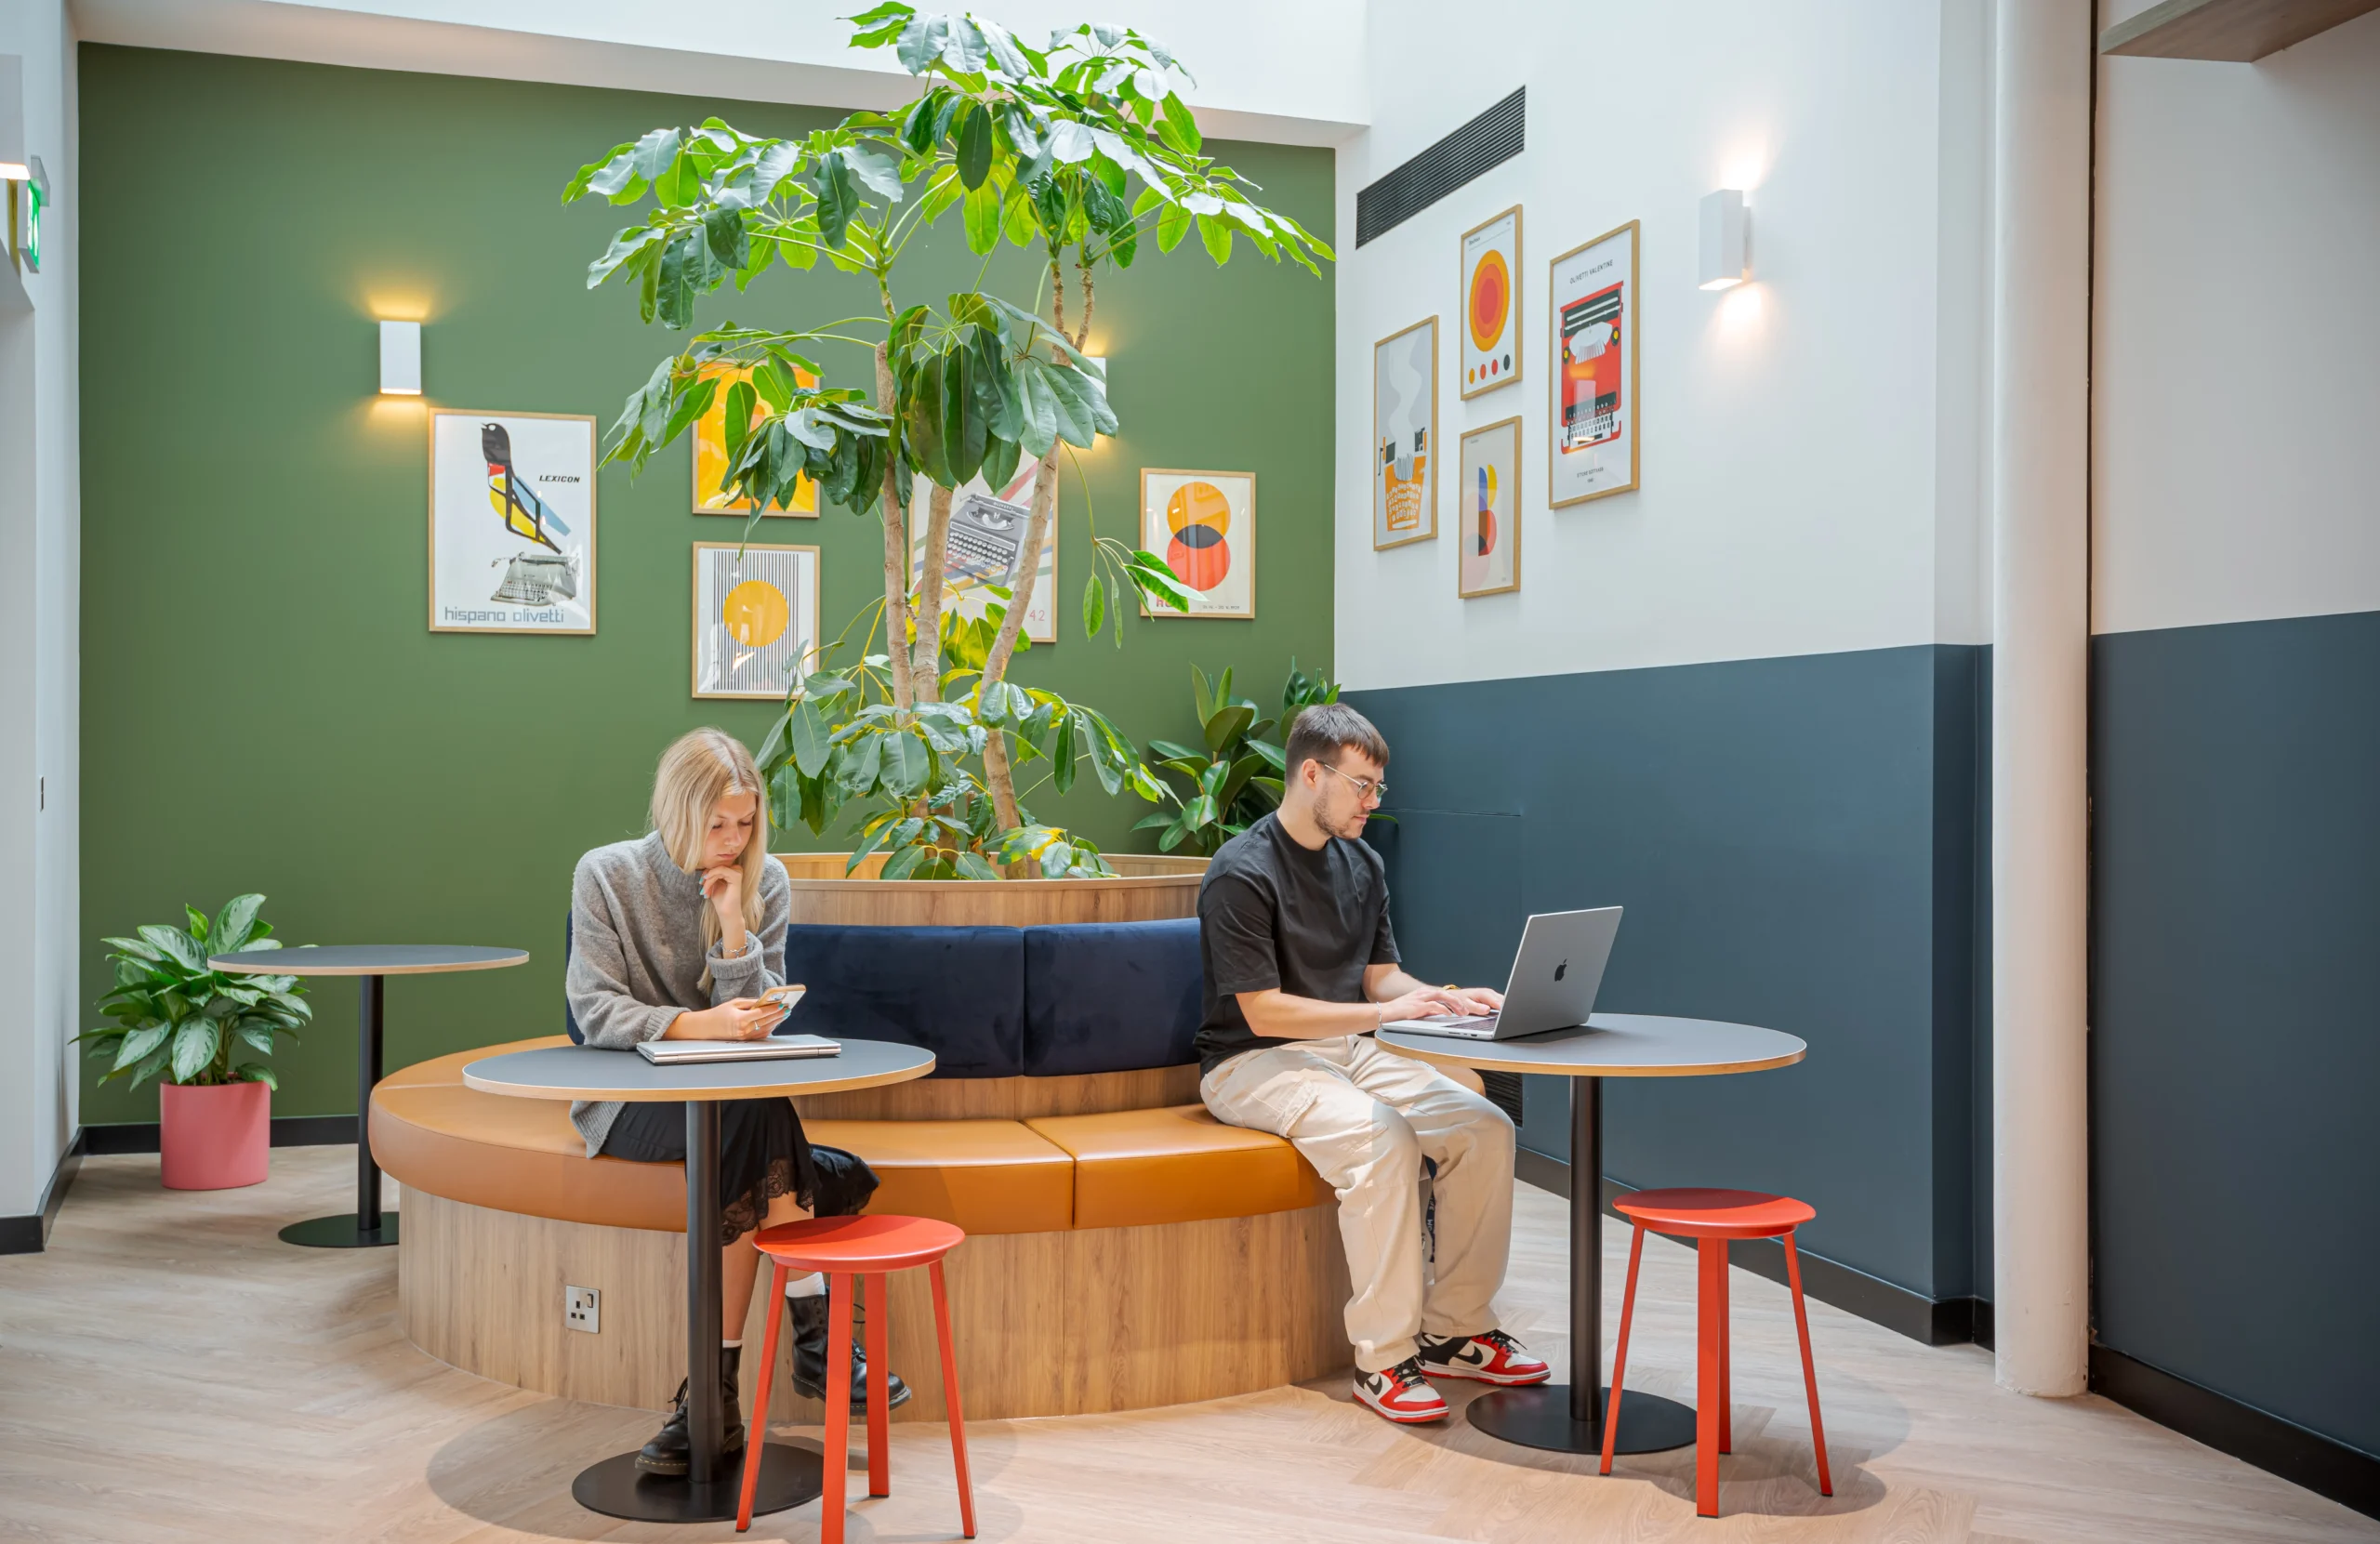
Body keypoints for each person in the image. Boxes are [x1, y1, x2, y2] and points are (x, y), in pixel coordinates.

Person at [567, 727, 909, 1476]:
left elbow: (760, 1018)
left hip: (733, 1103)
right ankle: (816, 1340)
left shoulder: (767, 880)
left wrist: (731, 926)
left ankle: (711, 1403)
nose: (731, 839)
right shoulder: (607, 874)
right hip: (628, 1098)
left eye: (745, 822)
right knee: (762, 1121)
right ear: (675, 810)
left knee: (748, 1113)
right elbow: (595, 1010)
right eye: (716, 823)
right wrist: (698, 1025)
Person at [1196, 703, 1549, 1424]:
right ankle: (1384, 1361)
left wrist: (1445, 998)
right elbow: (1264, 1012)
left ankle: (1457, 1328)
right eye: (1362, 786)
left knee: (1483, 1127)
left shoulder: (1363, 863)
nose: (1372, 802)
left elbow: (1380, 977)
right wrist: (1386, 1015)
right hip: (1250, 1062)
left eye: (1378, 787)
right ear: (1311, 774)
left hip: (1349, 1047)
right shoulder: (1241, 871)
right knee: (1383, 1137)